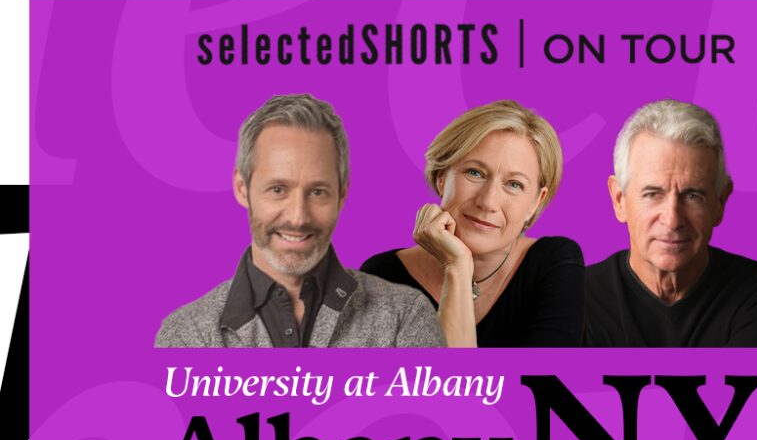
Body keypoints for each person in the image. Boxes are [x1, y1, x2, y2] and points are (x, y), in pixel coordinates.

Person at [156, 94, 444, 347]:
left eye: (317, 192)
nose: (298, 217)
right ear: (242, 188)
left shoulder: (404, 317)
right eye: (278, 189)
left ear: (342, 195)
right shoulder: (187, 335)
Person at [584, 99, 757, 347]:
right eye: (652, 194)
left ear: (720, 202)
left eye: (692, 196)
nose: (672, 220)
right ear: (619, 200)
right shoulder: (569, 300)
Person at [361, 100, 584, 347]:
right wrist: (456, 266)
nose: (488, 202)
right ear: (442, 177)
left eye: (514, 184)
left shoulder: (554, 263)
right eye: (475, 173)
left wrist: (456, 267)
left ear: (536, 202)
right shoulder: (380, 277)